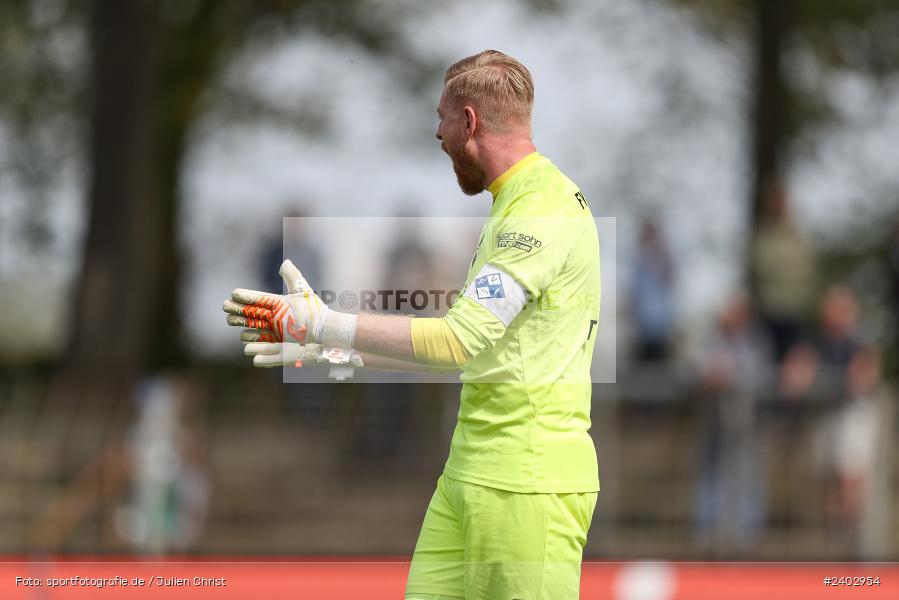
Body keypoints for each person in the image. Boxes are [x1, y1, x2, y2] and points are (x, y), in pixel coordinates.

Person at [223, 50, 601, 599]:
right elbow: (474, 350)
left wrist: (328, 325)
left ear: (469, 121)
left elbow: (456, 340)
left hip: (527, 486)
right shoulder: (514, 202)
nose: (437, 133)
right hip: (470, 474)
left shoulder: (542, 210)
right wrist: (327, 348)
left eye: (441, 117)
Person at [630, 219, 676, 361]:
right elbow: (635, 290)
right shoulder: (639, 261)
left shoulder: (662, 258)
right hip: (644, 319)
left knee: (658, 354)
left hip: (660, 319)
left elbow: (670, 279)